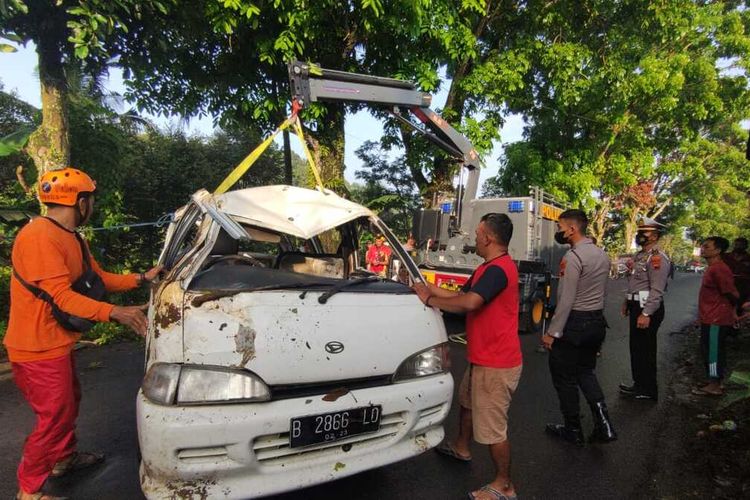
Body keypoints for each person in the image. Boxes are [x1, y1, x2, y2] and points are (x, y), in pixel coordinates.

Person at [4, 167, 162, 500]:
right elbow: (62, 296)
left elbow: (97, 279)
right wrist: (115, 313)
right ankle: (29, 489)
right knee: (53, 417)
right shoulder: (38, 238)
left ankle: (63, 459)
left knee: (67, 403)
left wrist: (142, 279)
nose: (93, 205)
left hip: (55, 343)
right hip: (36, 349)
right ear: (79, 201)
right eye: (90, 199)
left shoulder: (72, 237)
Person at [413, 213, 522, 500]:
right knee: (467, 403)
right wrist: (424, 288)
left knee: (493, 427)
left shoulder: (499, 270)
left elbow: (470, 303)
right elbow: (458, 294)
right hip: (483, 357)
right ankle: (461, 447)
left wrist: (430, 300)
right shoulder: (487, 268)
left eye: (477, 233)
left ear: (488, 237)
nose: (474, 237)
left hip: (497, 362)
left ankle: (505, 485)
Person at [542, 210, 617, 445]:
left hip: (574, 324)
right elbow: (603, 292)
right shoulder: (601, 254)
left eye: (559, 226)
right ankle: (604, 425)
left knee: (564, 377)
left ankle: (573, 429)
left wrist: (553, 333)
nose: (558, 231)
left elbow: (566, 298)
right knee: (586, 372)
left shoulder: (573, 257)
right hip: (595, 323)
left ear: (572, 229)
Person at [619, 217, 671, 401]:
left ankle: (648, 390)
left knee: (646, 350)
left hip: (647, 308)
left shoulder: (657, 258)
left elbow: (656, 289)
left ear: (655, 236)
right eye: (640, 232)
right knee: (636, 349)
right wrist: (627, 302)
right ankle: (638, 385)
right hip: (636, 305)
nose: (640, 235)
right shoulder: (640, 256)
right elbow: (634, 283)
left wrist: (646, 313)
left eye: (645, 232)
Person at [692, 237, 739, 396]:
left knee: (713, 352)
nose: (703, 249)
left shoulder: (718, 269)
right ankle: (713, 381)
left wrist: (733, 311)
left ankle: (715, 385)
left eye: (707, 246)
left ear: (718, 250)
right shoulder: (712, 268)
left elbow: (730, 292)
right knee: (710, 351)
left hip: (716, 319)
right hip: (710, 317)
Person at [723, 237, 750, 317]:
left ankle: (734, 327)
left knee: (739, 311)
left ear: (746, 246)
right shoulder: (726, 257)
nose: (738, 247)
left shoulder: (748, 258)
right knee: (723, 309)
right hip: (726, 287)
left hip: (743, 289)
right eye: (737, 244)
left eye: (741, 245)